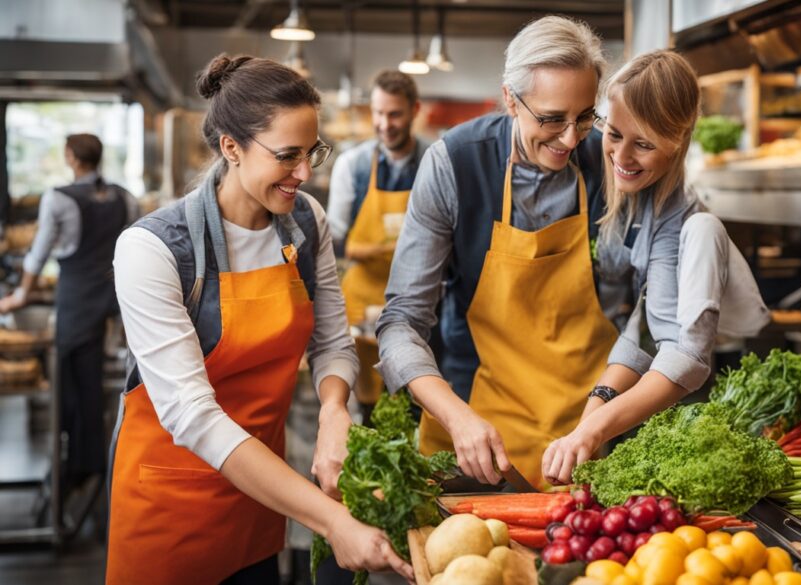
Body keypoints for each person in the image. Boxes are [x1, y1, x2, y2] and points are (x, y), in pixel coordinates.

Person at [107, 54, 413, 584]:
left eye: (313, 152)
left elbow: (333, 343)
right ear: (232, 147)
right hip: (171, 509)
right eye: (287, 156)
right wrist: (332, 520)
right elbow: (192, 415)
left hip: (262, 498)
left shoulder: (304, 224)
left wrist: (334, 411)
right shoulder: (152, 250)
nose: (305, 173)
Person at [377, 16, 634, 488]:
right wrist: (455, 417)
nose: (571, 138)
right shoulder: (455, 162)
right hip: (479, 434)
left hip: (587, 434)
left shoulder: (609, 161)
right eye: (552, 118)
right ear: (511, 100)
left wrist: (605, 413)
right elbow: (400, 324)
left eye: (584, 116)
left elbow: (645, 306)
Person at [542, 50, 771, 485]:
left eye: (644, 144)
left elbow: (668, 342)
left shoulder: (679, 216)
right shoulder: (575, 151)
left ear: (678, 141)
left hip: (602, 365)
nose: (622, 156)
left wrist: (592, 421)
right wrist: (593, 420)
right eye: (613, 133)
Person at [0, 133, 138, 493]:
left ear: (72, 158)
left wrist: (21, 294)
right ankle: (90, 463)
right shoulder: (124, 197)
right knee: (94, 381)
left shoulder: (59, 198)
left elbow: (39, 252)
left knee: (72, 380)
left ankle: (78, 466)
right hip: (116, 300)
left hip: (77, 300)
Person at [328, 70, 429, 410]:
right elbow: (336, 242)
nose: (384, 124)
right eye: (378, 113)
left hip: (418, 306)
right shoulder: (352, 166)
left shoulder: (434, 163)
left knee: (418, 404)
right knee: (370, 409)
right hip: (362, 309)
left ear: (415, 110)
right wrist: (387, 249)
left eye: (394, 114)